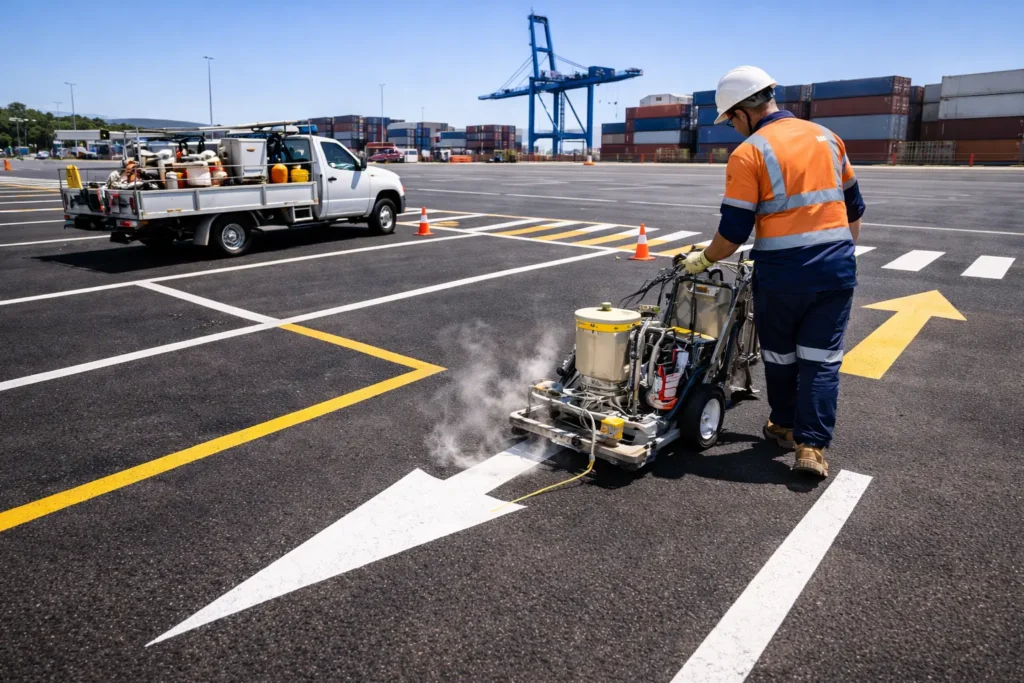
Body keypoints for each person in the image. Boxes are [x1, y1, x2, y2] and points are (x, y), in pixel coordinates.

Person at [682, 66, 866, 478]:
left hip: (783, 276)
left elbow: (732, 232)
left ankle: (783, 425)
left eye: (730, 118)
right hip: (835, 272)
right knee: (821, 361)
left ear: (745, 110)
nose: (731, 126)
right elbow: (854, 210)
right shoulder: (828, 138)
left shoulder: (750, 152)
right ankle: (811, 447)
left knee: (780, 357)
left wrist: (703, 260)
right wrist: (840, 255)